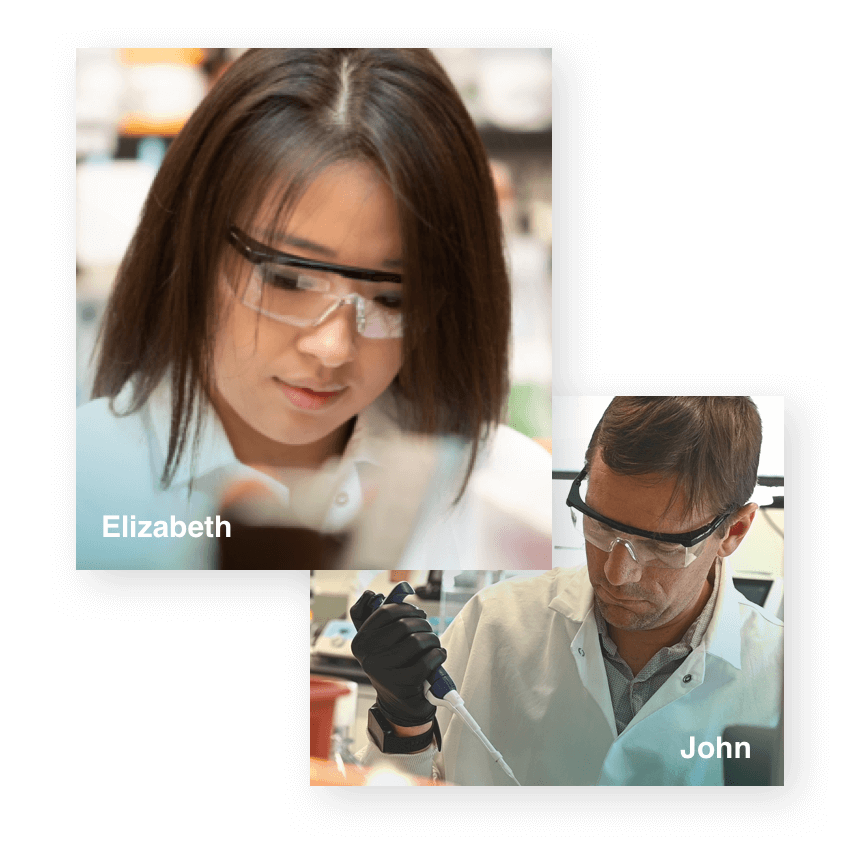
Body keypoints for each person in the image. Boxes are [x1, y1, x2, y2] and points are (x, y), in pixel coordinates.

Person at [76, 48, 551, 569]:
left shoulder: (513, 500)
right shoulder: (91, 484)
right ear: (192, 242)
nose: (333, 347)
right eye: (288, 279)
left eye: (394, 298)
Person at [351, 397, 783, 785]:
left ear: (734, 530)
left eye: (661, 546)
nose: (617, 572)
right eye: (600, 525)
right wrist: (402, 721)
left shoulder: (773, 677)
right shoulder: (494, 624)